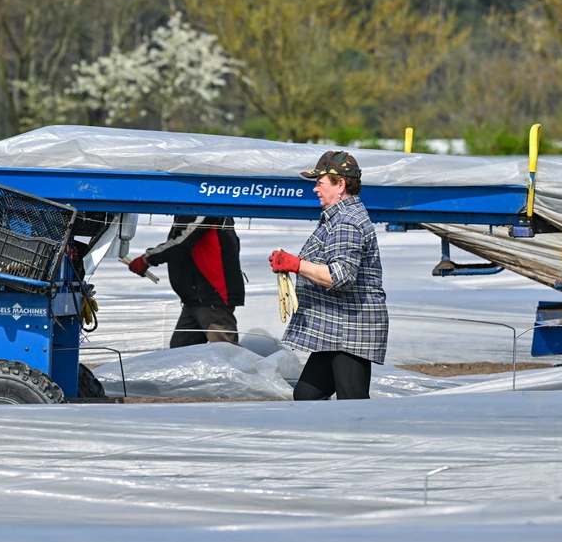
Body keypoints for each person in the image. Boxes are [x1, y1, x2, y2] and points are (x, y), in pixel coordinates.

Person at [269, 151, 388, 400]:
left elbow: (341, 276)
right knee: (306, 395)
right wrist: (293, 264)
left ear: (340, 184)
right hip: (335, 330)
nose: (315, 189)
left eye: (319, 182)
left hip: (350, 332)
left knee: (352, 403)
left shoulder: (346, 221)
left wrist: (295, 264)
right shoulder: (338, 217)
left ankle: (357, 439)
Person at [128, 216, 245, 348]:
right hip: (197, 296)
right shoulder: (203, 210)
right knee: (180, 349)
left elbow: (182, 241)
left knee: (225, 351)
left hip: (211, 294)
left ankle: (239, 369)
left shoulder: (203, 208)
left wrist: (148, 258)